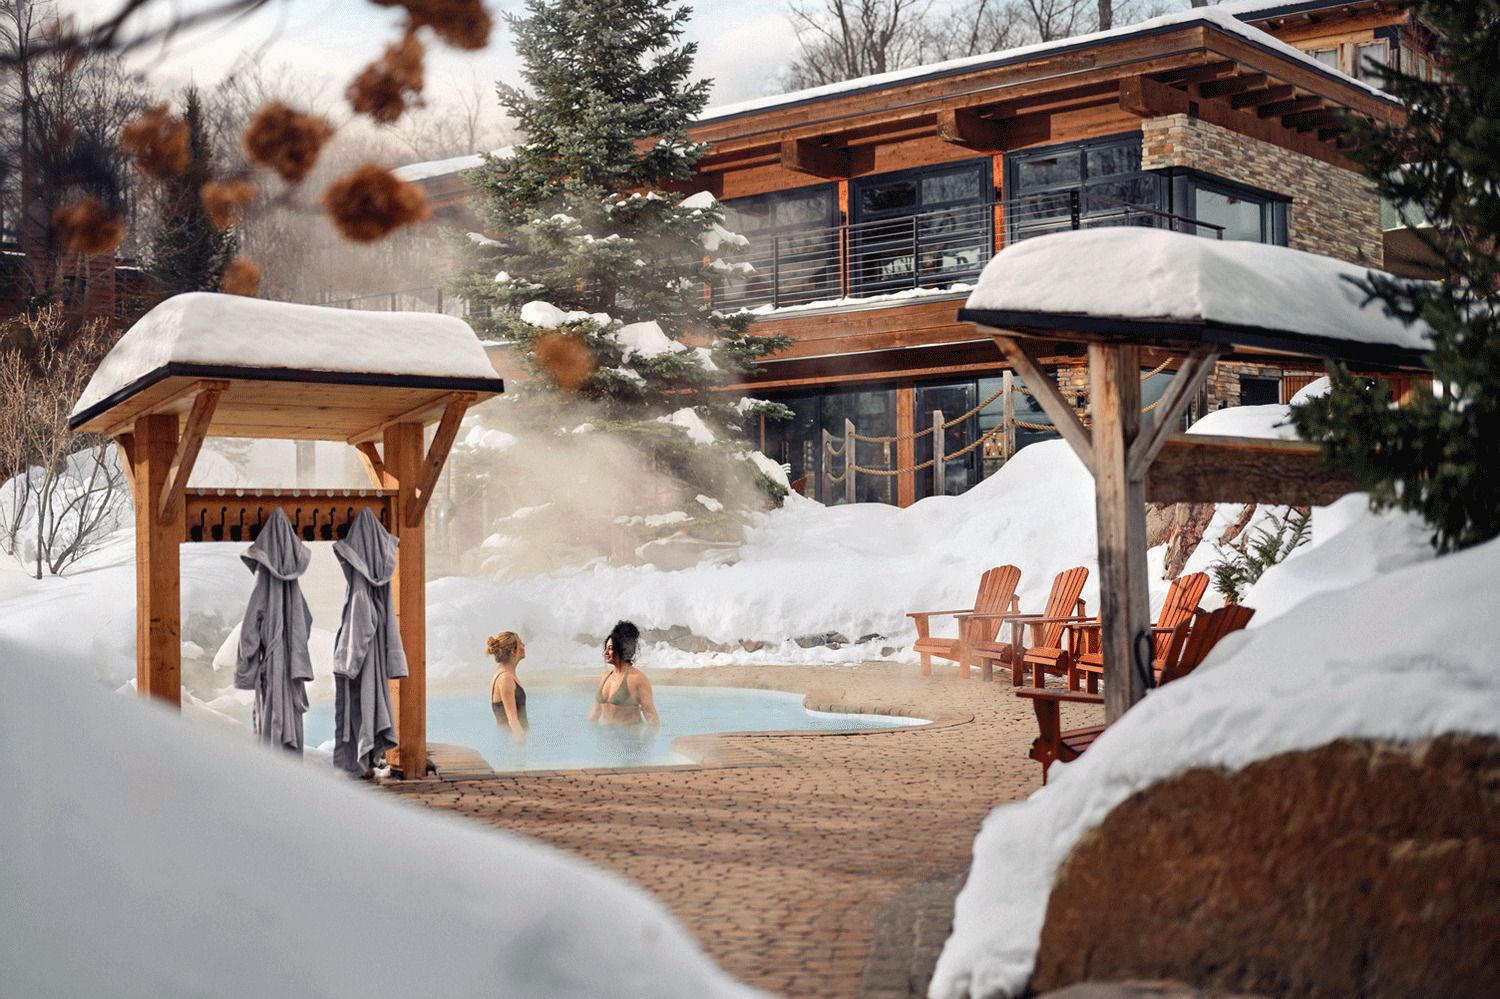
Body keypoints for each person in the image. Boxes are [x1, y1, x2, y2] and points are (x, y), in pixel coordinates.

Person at [587, 620, 660, 729]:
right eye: (605, 648)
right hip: (606, 735)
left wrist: (649, 738)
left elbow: (652, 718)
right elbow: (595, 713)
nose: (605, 653)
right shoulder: (604, 677)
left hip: (629, 737)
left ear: (622, 649)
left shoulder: (637, 679)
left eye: (610, 649)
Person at [487, 631, 528, 739]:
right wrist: (522, 743)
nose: (524, 645)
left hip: (510, 740)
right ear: (513, 651)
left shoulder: (507, 674)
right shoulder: (505, 678)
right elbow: (512, 719)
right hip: (511, 741)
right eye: (520, 643)